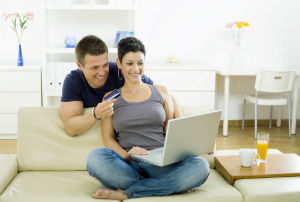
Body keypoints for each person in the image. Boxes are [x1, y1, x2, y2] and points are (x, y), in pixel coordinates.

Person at [86, 37, 210, 200]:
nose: (136, 69)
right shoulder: (111, 98)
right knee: (95, 158)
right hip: (128, 164)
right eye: (129, 63)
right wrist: (126, 155)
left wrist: (200, 143)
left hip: (161, 163)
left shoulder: (162, 92)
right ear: (119, 63)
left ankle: (128, 193)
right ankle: (168, 185)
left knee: (201, 166)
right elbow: (107, 137)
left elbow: (175, 130)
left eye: (140, 63)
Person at [59, 35, 153, 137]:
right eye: (94, 67)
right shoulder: (73, 80)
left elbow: (157, 92)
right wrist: (96, 114)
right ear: (80, 66)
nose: (101, 73)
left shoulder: (120, 72)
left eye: (105, 65)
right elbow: (71, 129)